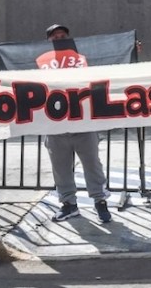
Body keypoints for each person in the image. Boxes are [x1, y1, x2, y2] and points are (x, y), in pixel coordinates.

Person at [40, 23, 112, 223]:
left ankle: (100, 203)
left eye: (63, 35)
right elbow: (15, 71)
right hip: (55, 125)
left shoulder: (82, 58)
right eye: (55, 37)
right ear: (48, 41)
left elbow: (112, 63)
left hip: (83, 123)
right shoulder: (41, 61)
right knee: (61, 168)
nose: (60, 38)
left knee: (93, 166)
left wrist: (130, 49)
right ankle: (69, 205)